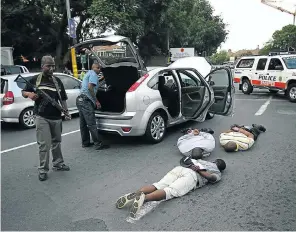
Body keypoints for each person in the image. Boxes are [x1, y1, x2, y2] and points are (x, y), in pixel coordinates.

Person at [116, 157, 226, 218]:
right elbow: (211, 178)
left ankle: (137, 193)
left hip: (180, 169)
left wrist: (193, 165)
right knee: (169, 191)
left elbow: (186, 159)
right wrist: (199, 170)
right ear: (220, 168)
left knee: (158, 185)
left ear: (214, 161)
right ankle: (144, 198)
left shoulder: (202, 161)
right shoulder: (217, 172)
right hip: (192, 176)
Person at [22, 55, 71, 181]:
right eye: (49, 66)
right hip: (41, 117)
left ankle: (58, 163)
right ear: (42, 66)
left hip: (56, 117)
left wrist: (66, 111)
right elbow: (23, 91)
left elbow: (63, 98)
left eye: (53, 66)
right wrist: (29, 94)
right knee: (44, 145)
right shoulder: (36, 79)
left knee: (57, 142)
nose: (51, 68)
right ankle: (43, 169)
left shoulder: (57, 81)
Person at [76, 63, 109, 150]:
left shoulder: (89, 73)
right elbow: (90, 87)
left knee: (83, 123)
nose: (99, 70)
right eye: (97, 68)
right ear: (93, 67)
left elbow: (97, 83)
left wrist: (105, 77)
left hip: (80, 100)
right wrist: (96, 101)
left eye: (100, 68)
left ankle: (85, 142)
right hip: (86, 100)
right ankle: (98, 144)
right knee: (91, 123)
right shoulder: (93, 74)